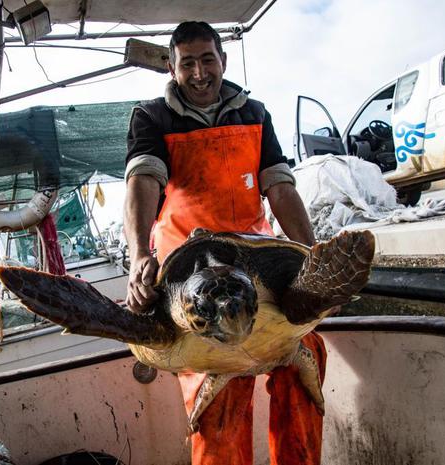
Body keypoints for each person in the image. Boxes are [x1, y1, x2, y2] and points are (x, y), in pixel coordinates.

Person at [123, 21, 325, 465]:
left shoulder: (254, 113)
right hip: (188, 275)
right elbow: (143, 180)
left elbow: (280, 188)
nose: (199, 73)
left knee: (306, 359)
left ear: (223, 60)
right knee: (217, 407)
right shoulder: (152, 116)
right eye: (187, 63)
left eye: (207, 59)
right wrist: (140, 255)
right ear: (172, 69)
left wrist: (315, 258)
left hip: (259, 264)